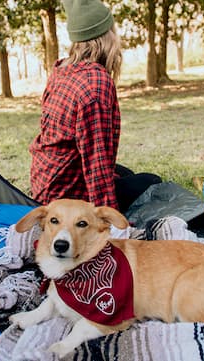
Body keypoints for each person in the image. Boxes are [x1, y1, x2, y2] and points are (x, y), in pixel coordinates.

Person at [28, 0, 160, 213]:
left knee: (125, 173)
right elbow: (96, 164)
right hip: (66, 199)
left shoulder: (62, 69)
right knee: (151, 181)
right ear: (108, 36)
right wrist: (108, 221)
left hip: (46, 183)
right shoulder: (95, 84)